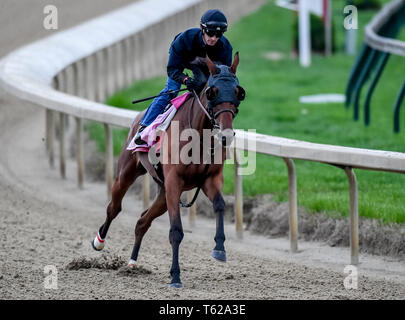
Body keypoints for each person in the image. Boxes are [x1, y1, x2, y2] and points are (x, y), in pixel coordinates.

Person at [134, 9, 233, 145]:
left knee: (211, 91)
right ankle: (144, 127)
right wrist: (186, 80)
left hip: (204, 67)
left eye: (218, 34)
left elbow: (223, 80)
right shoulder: (185, 39)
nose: (214, 38)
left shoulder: (225, 48)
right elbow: (172, 70)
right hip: (181, 62)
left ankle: (218, 128)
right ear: (201, 29)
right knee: (171, 91)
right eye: (210, 33)